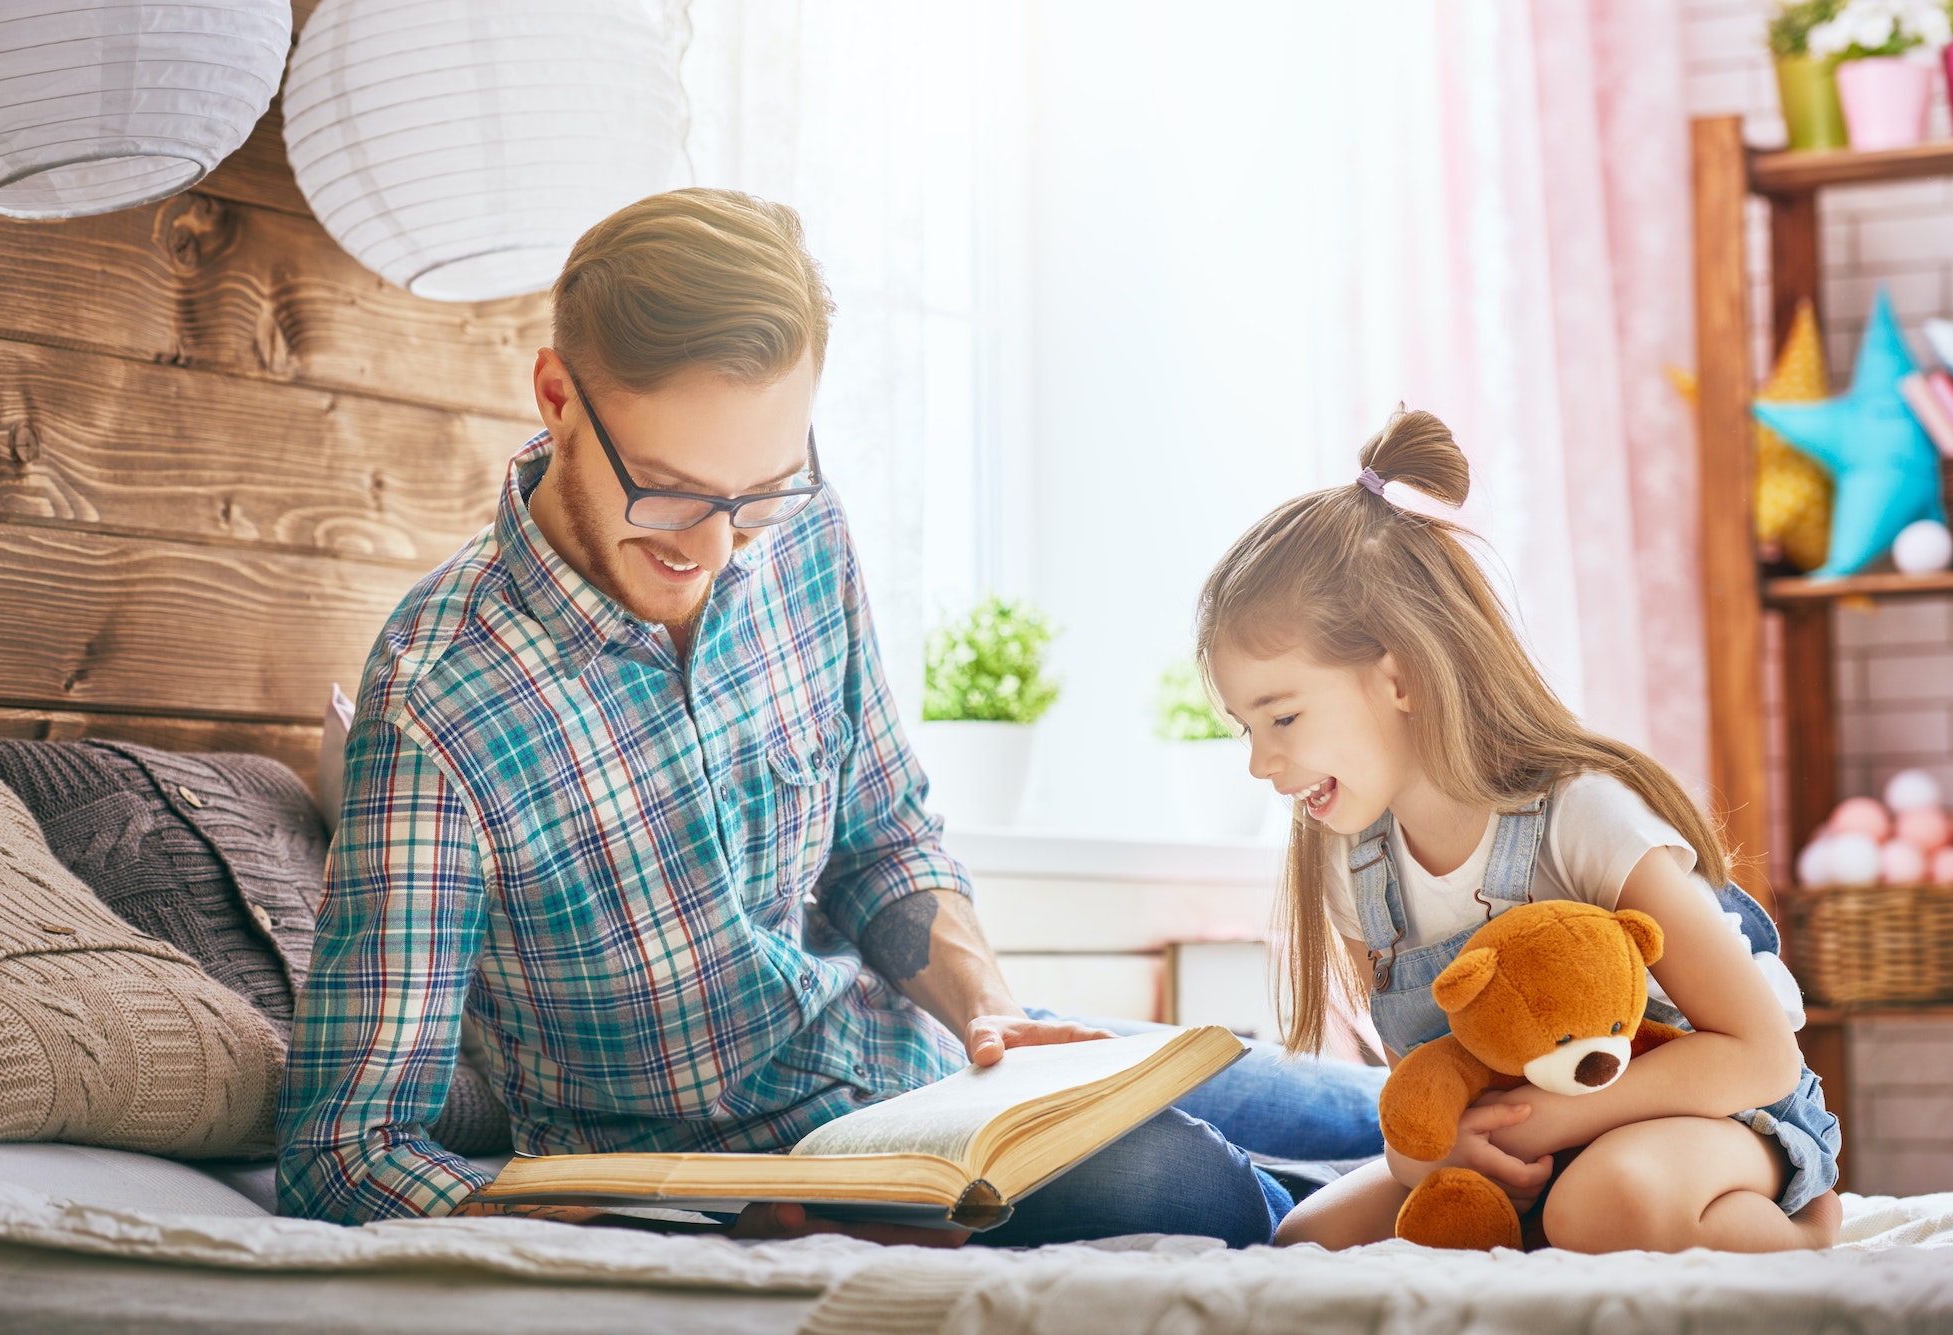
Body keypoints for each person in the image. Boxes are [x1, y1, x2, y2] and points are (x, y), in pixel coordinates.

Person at [276, 187, 1384, 1247]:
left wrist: (987, 1009)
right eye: (665, 489)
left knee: (1360, 1103)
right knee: (1172, 1177)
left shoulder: (798, 528)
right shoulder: (439, 702)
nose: (713, 552)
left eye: (754, 495)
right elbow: (345, 1150)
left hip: (936, 1080)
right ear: (557, 399)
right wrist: (594, 1220)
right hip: (761, 1171)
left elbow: (879, 841)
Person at [1197, 408, 1842, 1253]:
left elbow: (1760, 1055)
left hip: (1717, 1118)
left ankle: (1803, 1232)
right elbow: (1420, 1088)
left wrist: (1541, 1121)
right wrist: (1432, 1150)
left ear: (1401, 676)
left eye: (1281, 717)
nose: (1260, 763)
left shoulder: (1580, 811)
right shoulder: (1351, 863)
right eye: (1248, 730)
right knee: (1307, 1243)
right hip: (1532, 1146)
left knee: (1602, 1203)